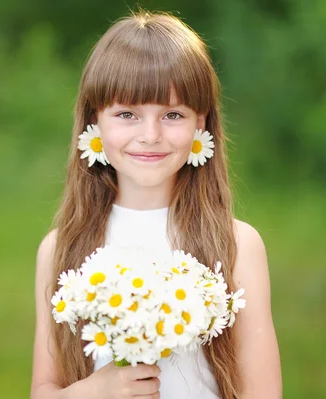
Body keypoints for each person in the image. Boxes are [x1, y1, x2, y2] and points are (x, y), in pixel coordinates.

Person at [30, 10, 282, 399]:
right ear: (93, 122)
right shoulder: (60, 249)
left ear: (202, 125)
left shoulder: (237, 245)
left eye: (172, 114)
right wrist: (96, 390)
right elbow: (44, 390)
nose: (150, 135)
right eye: (127, 114)